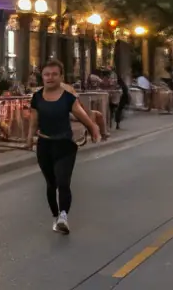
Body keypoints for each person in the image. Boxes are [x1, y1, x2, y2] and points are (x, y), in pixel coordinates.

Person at [32, 59, 102, 235]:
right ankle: (56, 217)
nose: (50, 77)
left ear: (61, 77)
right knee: (51, 184)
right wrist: (28, 139)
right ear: (42, 76)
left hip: (65, 145)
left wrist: (93, 128)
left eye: (54, 74)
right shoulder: (37, 97)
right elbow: (34, 120)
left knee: (63, 182)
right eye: (47, 74)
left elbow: (82, 115)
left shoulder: (68, 97)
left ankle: (64, 216)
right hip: (44, 144)